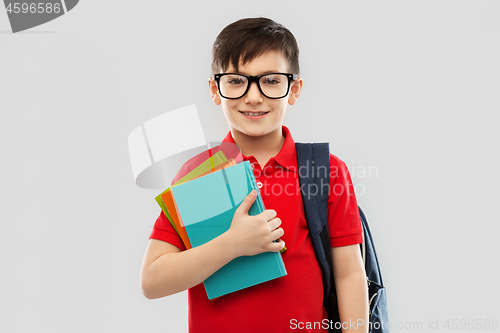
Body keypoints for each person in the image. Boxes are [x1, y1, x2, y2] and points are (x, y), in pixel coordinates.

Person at [140, 17, 369, 333]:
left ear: (294, 89)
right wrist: (232, 245)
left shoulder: (326, 170)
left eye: (271, 80)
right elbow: (152, 280)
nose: (253, 96)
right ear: (214, 89)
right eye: (236, 80)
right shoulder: (199, 174)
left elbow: (349, 274)